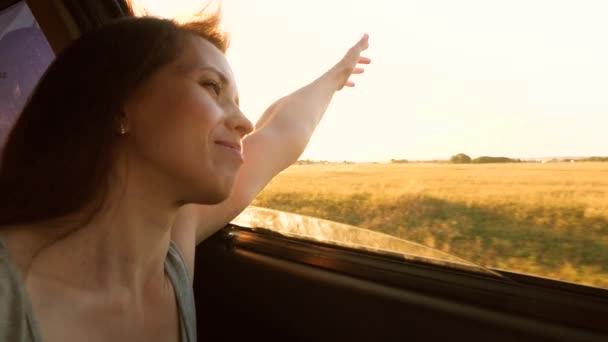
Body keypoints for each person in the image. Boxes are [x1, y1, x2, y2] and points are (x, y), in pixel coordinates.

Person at [0, 12, 369, 342]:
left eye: (238, 102)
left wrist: (337, 75)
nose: (244, 123)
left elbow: (282, 134)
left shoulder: (171, 260)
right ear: (117, 106)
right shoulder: (7, 291)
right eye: (211, 87)